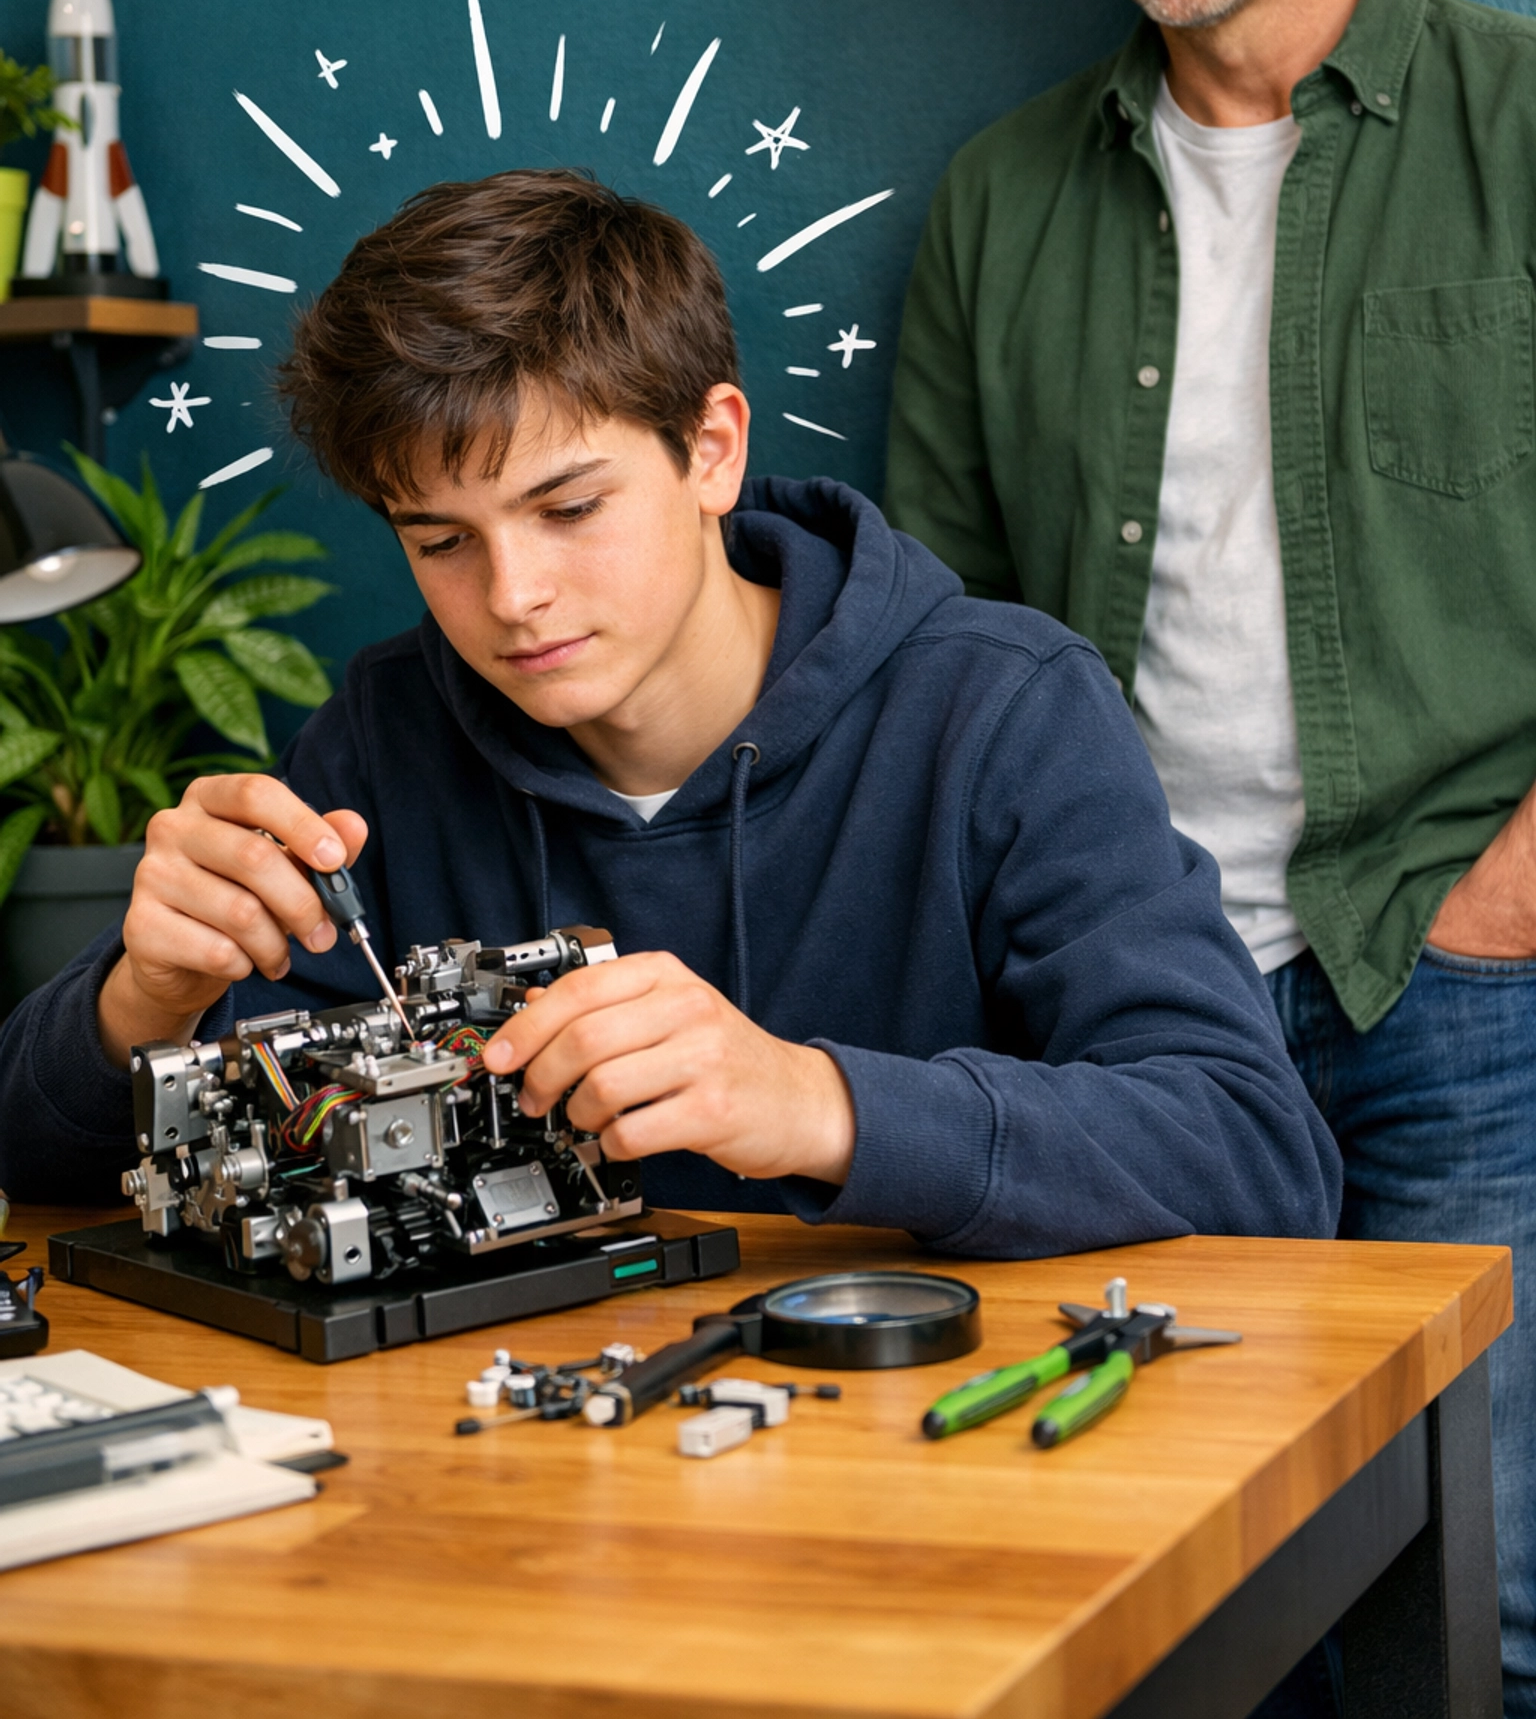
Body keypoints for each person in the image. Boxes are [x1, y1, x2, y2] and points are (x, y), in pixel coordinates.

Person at [0, 169, 1337, 1266]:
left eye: (569, 509)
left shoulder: (1002, 709)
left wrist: (818, 1103)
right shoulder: (384, 739)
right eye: (439, 540)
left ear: (713, 448)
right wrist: (142, 1002)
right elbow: (58, 1166)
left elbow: (1255, 1154)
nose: (514, 598)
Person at [886, 0, 1536, 1714]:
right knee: (1177, 1612)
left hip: (1461, 993)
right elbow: (942, 633)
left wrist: (1509, 897)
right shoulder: (999, 205)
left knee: (1486, 1610)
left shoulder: (1525, 136)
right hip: (1126, 1015)